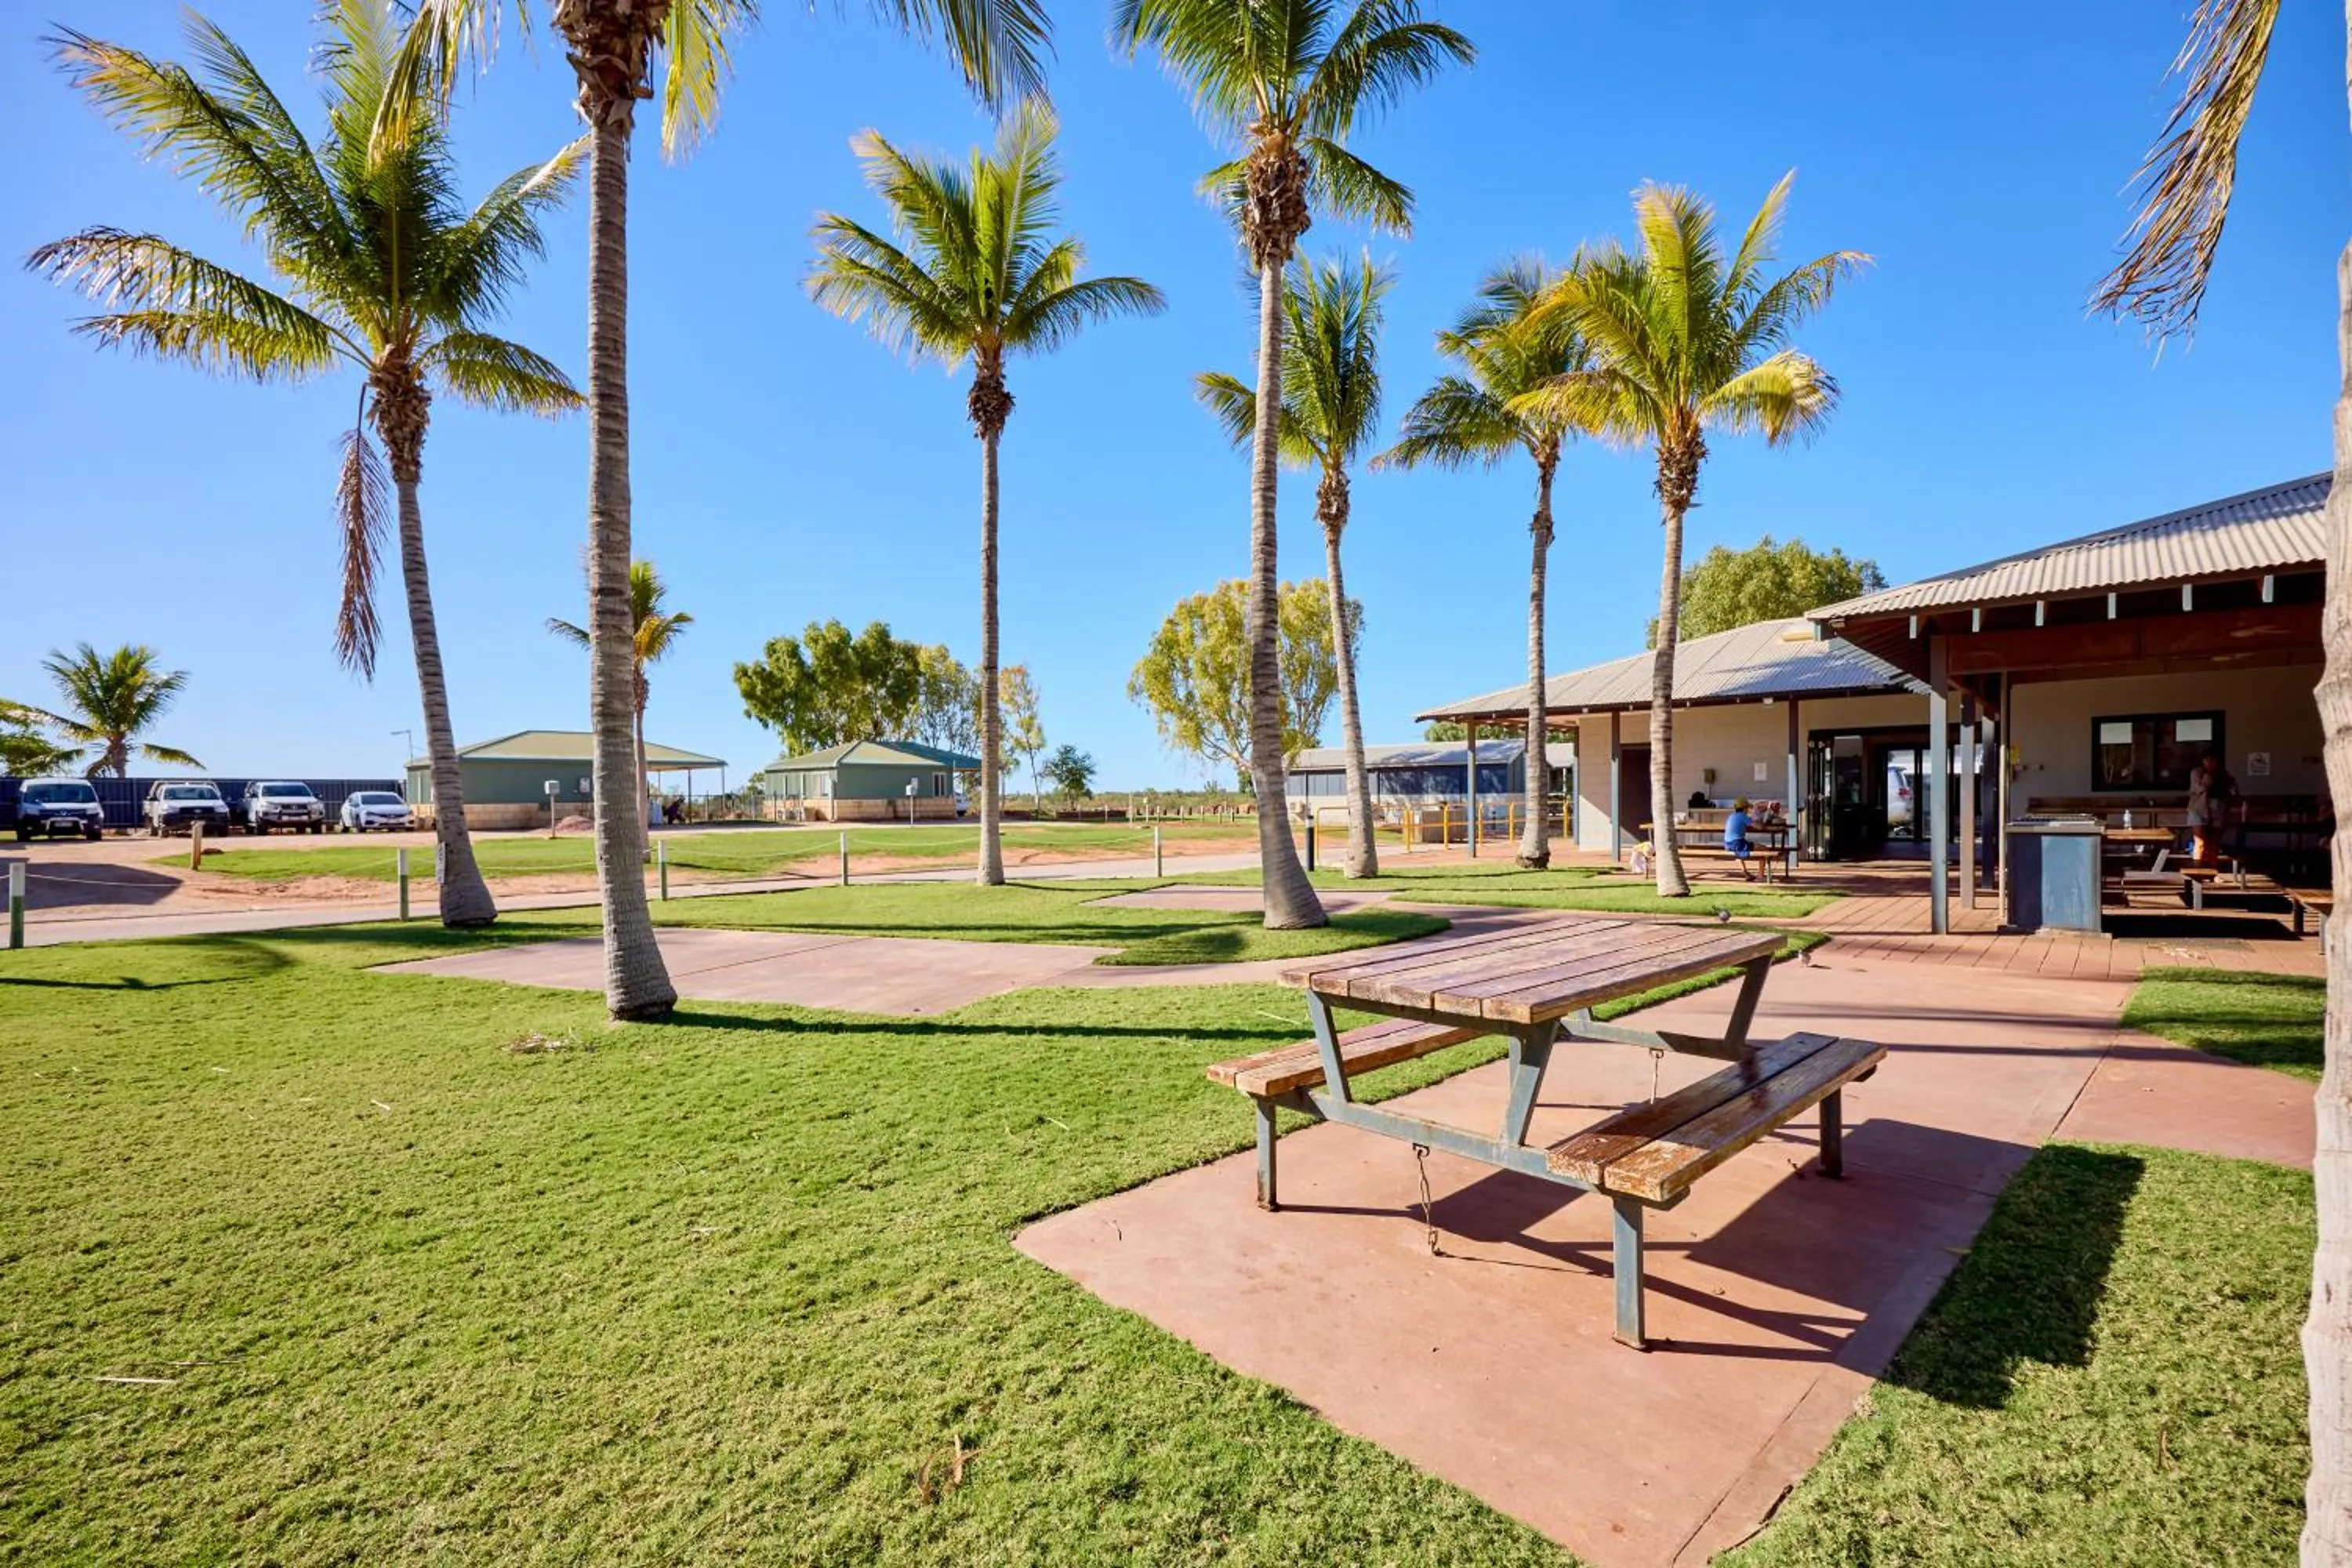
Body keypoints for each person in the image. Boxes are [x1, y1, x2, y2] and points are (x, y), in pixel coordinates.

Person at [2185, 750, 2237, 865]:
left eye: (2213, 760)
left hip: (2218, 809)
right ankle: (2197, 869)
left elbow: (2233, 789)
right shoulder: (2197, 773)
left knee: (2214, 844)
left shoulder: (2224, 774)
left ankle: (2212, 869)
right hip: (2199, 809)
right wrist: (2208, 776)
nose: (2210, 762)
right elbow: (2200, 788)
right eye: (2207, 760)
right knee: (2200, 842)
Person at [1724, 797, 1756, 880]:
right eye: (1747, 808)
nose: (1748, 810)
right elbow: (1758, 826)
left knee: (1738, 854)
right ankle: (1761, 876)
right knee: (1763, 849)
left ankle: (1746, 874)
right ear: (1744, 808)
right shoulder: (1743, 816)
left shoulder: (1732, 816)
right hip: (1737, 843)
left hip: (1728, 844)